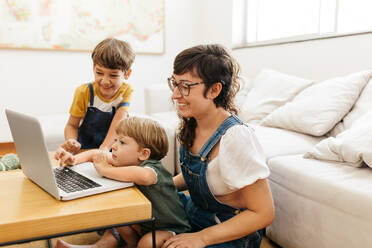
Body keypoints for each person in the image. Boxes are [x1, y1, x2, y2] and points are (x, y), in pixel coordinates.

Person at [162, 44, 275, 248]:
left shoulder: (236, 138)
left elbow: (264, 213)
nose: (175, 95)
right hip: (196, 212)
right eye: (174, 84)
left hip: (229, 231)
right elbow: (199, 176)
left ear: (214, 89)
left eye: (185, 86)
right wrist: (162, 185)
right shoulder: (192, 123)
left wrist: (202, 238)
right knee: (142, 208)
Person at [54, 116, 192, 248]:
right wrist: (74, 160)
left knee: (147, 243)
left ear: (143, 154)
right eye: (115, 140)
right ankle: (131, 244)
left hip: (171, 228)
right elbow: (95, 154)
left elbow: (144, 177)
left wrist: (105, 169)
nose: (114, 146)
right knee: (117, 216)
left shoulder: (152, 169)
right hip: (145, 223)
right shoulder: (125, 159)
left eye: (122, 142)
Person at [60, 38, 136, 153]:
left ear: (127, 74)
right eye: (99, 73)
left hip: (110, 149)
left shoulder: (125, 91)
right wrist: (71, 141)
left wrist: (104, 149)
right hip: (84, 149)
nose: (105, 81)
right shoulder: (83, 92)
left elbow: (119, 121)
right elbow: (71, 125)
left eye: (113, 75)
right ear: (93, 68)